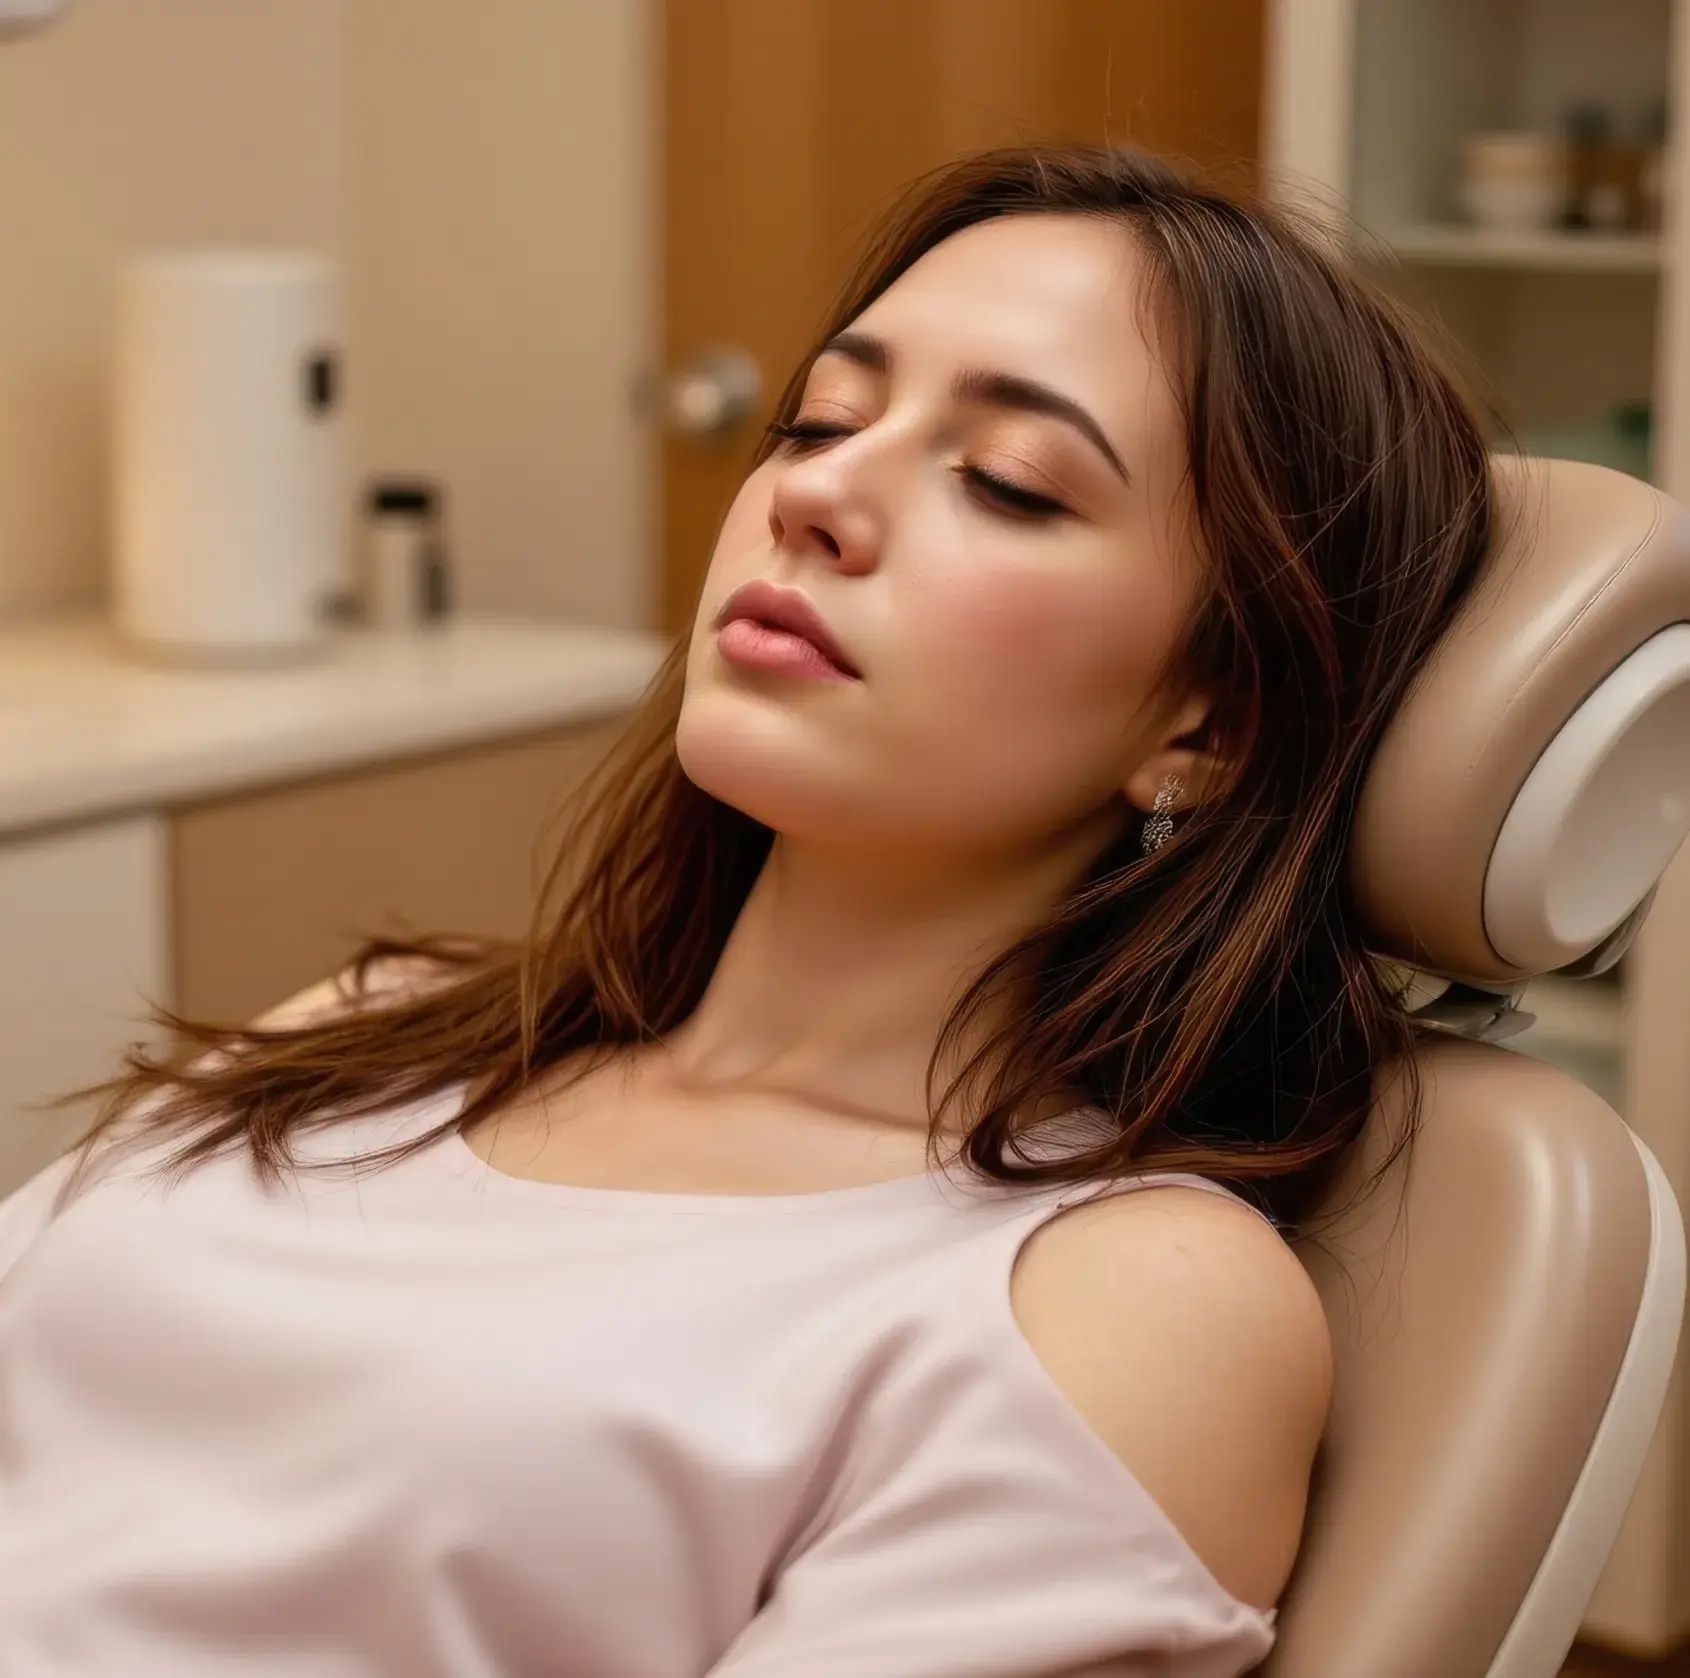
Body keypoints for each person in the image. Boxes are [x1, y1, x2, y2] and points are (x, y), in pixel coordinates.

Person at [0, 144, 1492, 1677]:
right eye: (822, 418)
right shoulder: (383, 1024)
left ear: (1207, 721)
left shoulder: (1113, 1293)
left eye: (1006, 481)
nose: (817, 492)